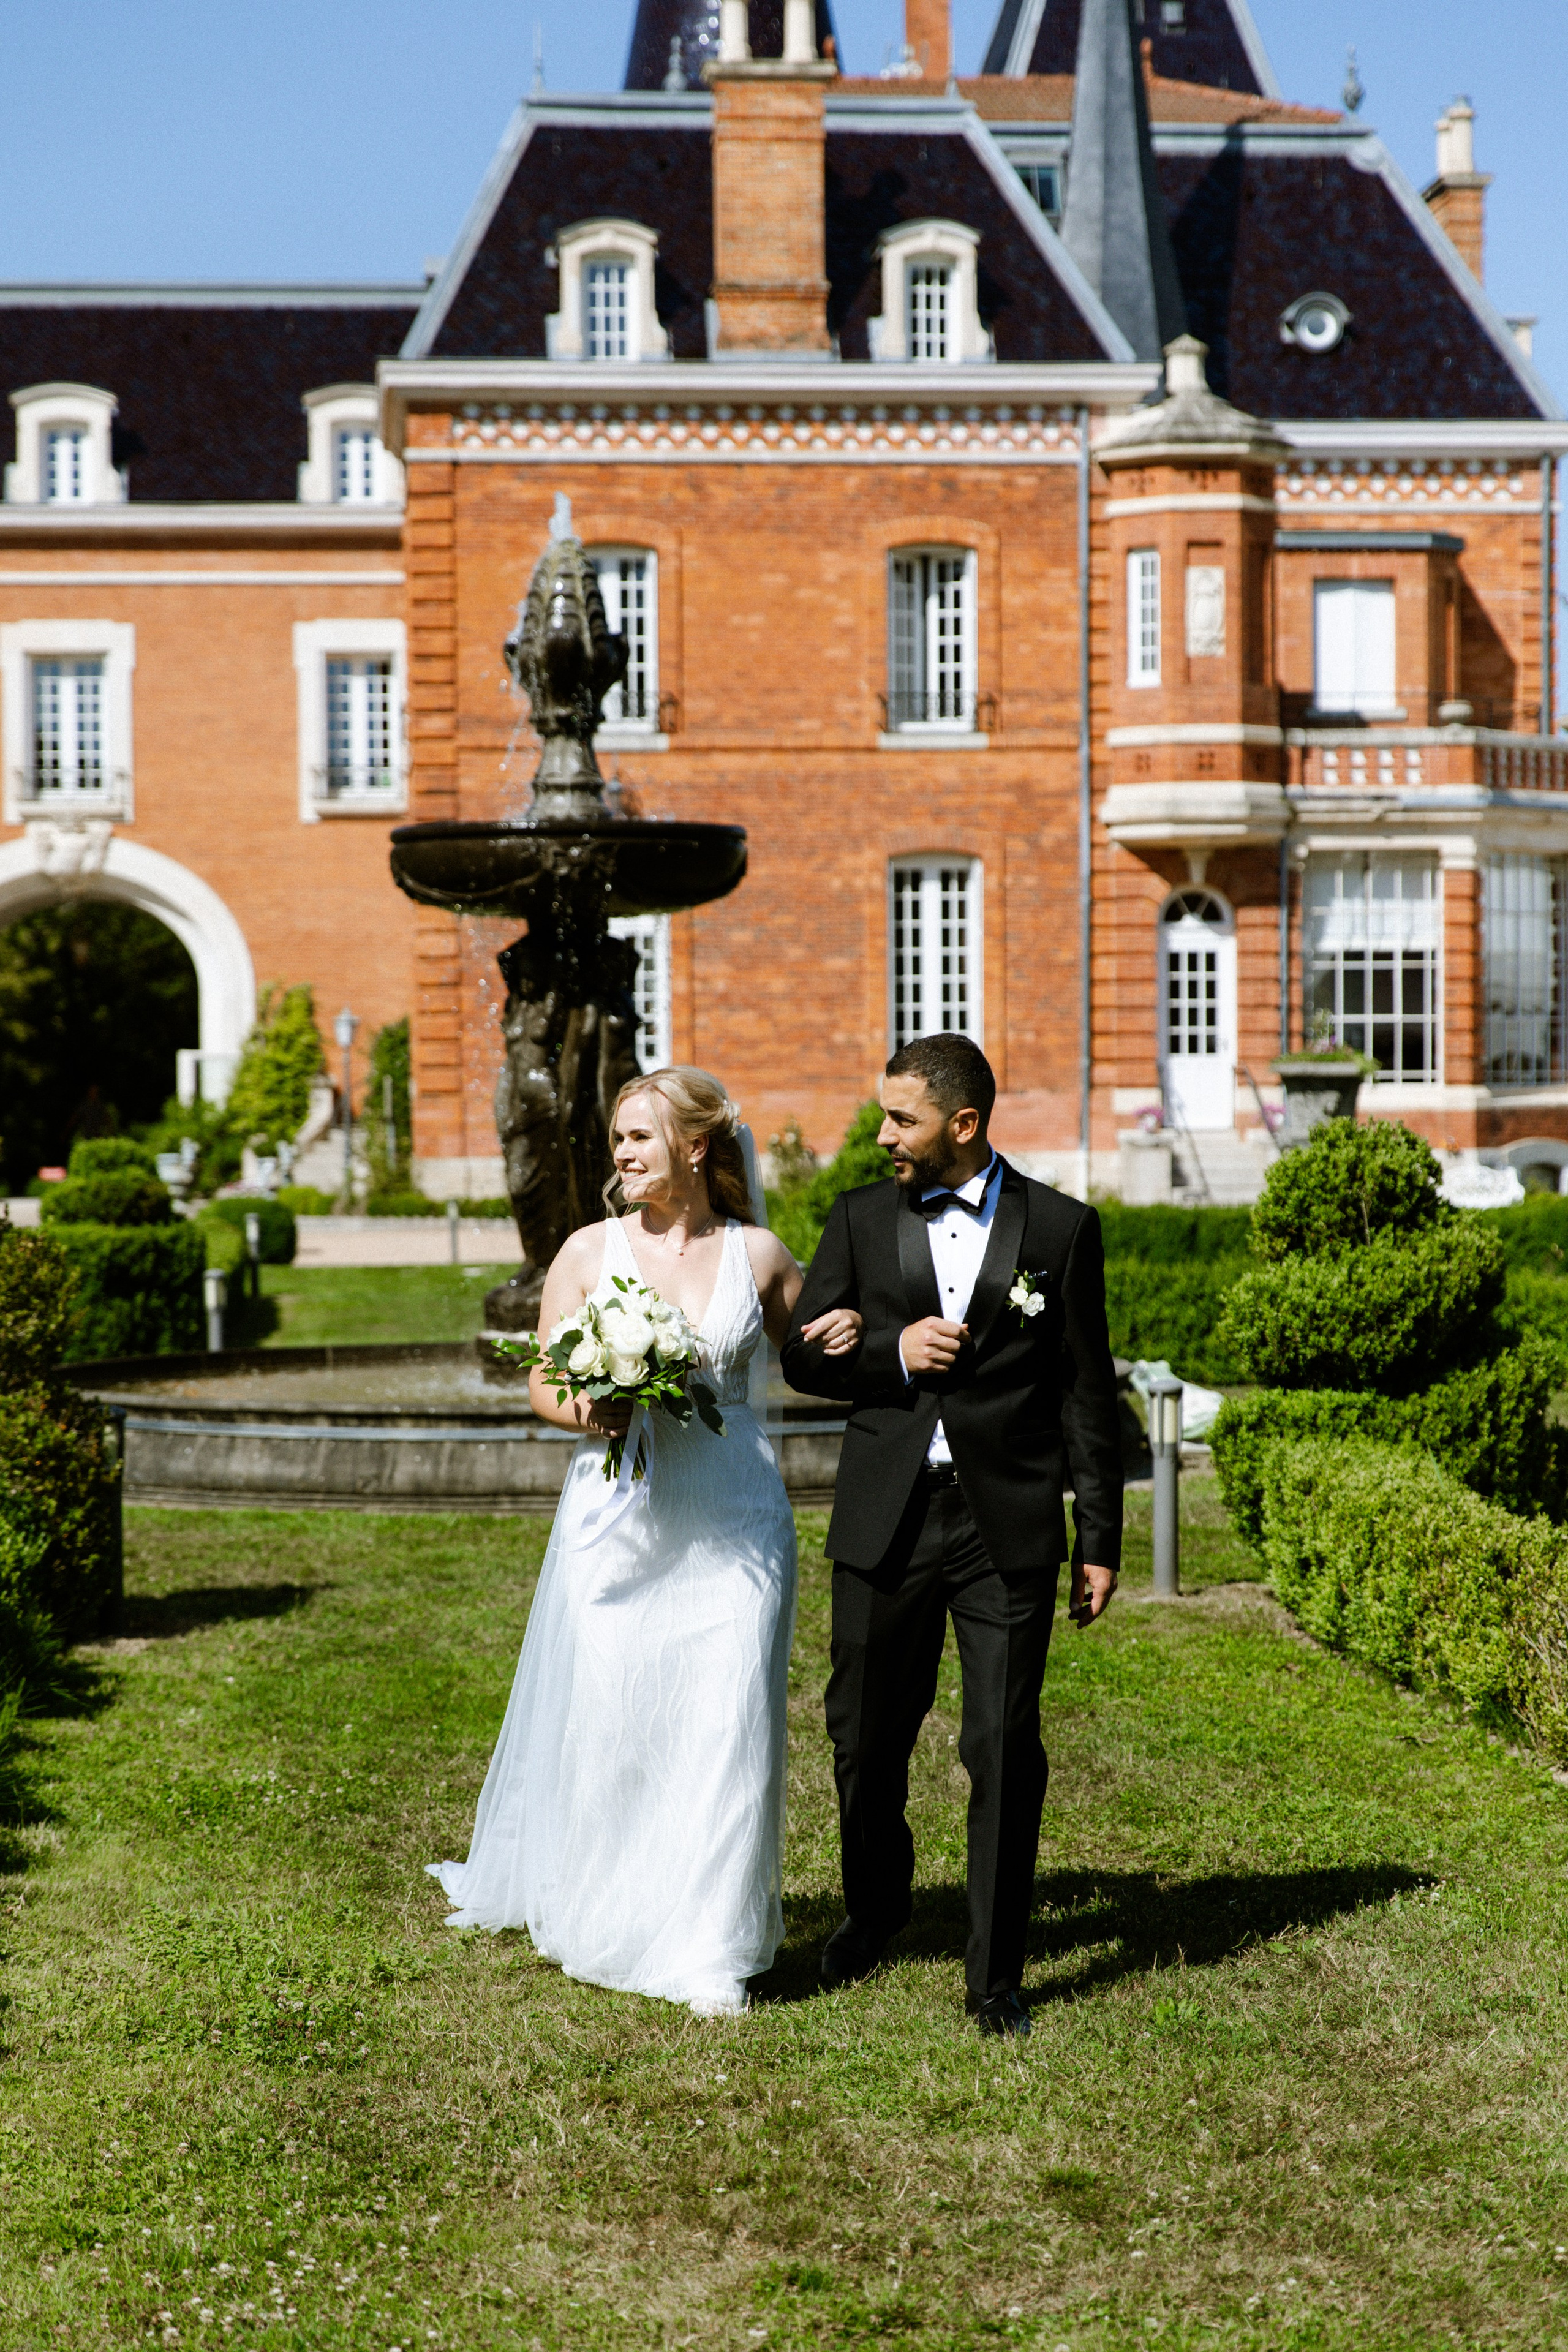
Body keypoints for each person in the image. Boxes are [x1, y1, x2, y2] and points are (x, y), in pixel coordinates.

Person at [426, 1066, 862, 2017]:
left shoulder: (762, 1255)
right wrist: (592, 1406)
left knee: (728, 1720)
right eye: (618, 1137)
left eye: (638, 1136)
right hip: (617, 1523)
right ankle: (607, 1904)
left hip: (737, 1520)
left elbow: (822, 1360)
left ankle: (711, 1943)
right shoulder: (587, 1252)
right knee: (619, 1721)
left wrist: (860, 1334)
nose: (619, 1153)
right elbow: (544, 1380)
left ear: (696, 1148)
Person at [781, 1034, 1123, 2038]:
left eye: (902, 1119)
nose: (884, 1135)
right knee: (863, 1737)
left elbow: (1085, 1394)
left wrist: (1097, 1537)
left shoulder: (1061, 1229)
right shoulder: (857, 1217)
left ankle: (995, 1976)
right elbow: (805, 1357)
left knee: (1004, 1745)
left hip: (1004, 1526)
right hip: (886, 1519)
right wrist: (889, 1350)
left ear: (962, 1125)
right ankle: (874, 1911)